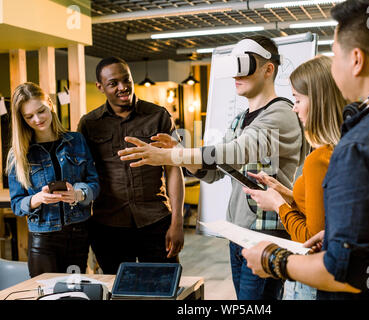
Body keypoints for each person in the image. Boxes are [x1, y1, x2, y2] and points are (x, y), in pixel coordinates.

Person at [242, 0, 369, 299]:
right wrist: (346, 231)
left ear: (356, 60)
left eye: (335, 55)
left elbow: (349, 273)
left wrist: (272, 260)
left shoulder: (361, 144)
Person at [118, 36, 307, 300]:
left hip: (267, 235)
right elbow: (218, 169)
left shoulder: (281, 113)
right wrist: (178, 154)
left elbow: (237, 151)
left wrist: (173, 156)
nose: (236, 76)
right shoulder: (241, 118)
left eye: (245, 66)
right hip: (239, 233)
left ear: (268, 69)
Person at [242, 55, 346, 300]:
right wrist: (286, 194)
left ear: (318, 102)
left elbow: (312, 239)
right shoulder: (343, 150)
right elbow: (325, 208)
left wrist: (277, 205)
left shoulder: (318, 159)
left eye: (298, 99)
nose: (294, 107)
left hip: (311, 280)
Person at [77, 57, 184, 275]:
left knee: (163, 290)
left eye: (126, 80)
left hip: (155, 222)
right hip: (108, 227)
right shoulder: (89, 124)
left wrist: (178, 222)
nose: (122, 87)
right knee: (118, 292)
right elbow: (83, 174)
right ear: (100, 87)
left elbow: (174, 168)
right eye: (113, 83)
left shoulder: (158, 116)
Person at [7, 82, 99, 277]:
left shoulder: (76, 141)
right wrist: (38, 199)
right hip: (43, 238)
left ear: (49, 103)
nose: (38, 119)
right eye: (29, 116)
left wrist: (79, 193)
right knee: (48, 294)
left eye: (41, 111)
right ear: (21, 119)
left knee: (75, 291)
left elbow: (94, 184)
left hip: (78, 232)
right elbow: (16, 204)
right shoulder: (19, 154)